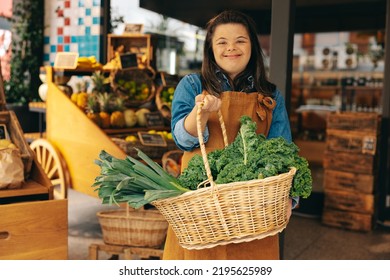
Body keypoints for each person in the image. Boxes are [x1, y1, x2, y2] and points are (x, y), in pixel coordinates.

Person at [165, 10, 297, 260]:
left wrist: (289, 198)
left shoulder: (270, 95)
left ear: (252, 47)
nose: (231, 48)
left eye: (240, 41)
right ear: (211, 49)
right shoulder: (192, 85)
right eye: (222, 42)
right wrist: (200, 112)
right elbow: (182, 139)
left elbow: (284, 151)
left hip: (255, 212)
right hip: (200, 209)